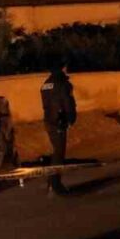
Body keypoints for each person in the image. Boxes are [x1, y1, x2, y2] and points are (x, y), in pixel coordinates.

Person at [40, 58, 77, 195]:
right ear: (62, 68)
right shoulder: (63, 84)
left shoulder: (46, 84)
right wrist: (71, 119)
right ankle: (56, 185)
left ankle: (52, 182)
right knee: (59, 153)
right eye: (65, 67)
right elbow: (68, 103)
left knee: (56, 151)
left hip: (48, 120)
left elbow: (46, 104)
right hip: (59, 121)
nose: (67, 69)